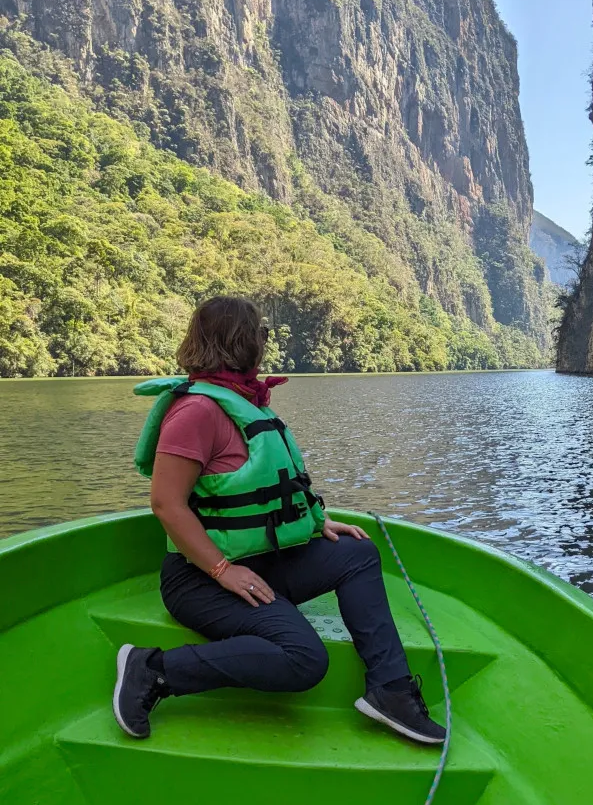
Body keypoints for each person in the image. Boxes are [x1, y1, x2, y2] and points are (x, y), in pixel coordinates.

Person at [112, 295, 445, 746]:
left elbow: (273, 487)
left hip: (263, 560)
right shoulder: (197, 411)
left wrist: (315, 522)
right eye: (259, 331)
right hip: (199, 580)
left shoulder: (246, 402)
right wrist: (222, 570)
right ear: (236, 340)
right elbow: (167, 504)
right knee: (304, 659)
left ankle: (390, 690)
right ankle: (151, 669)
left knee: (358, 553)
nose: (265, 339)